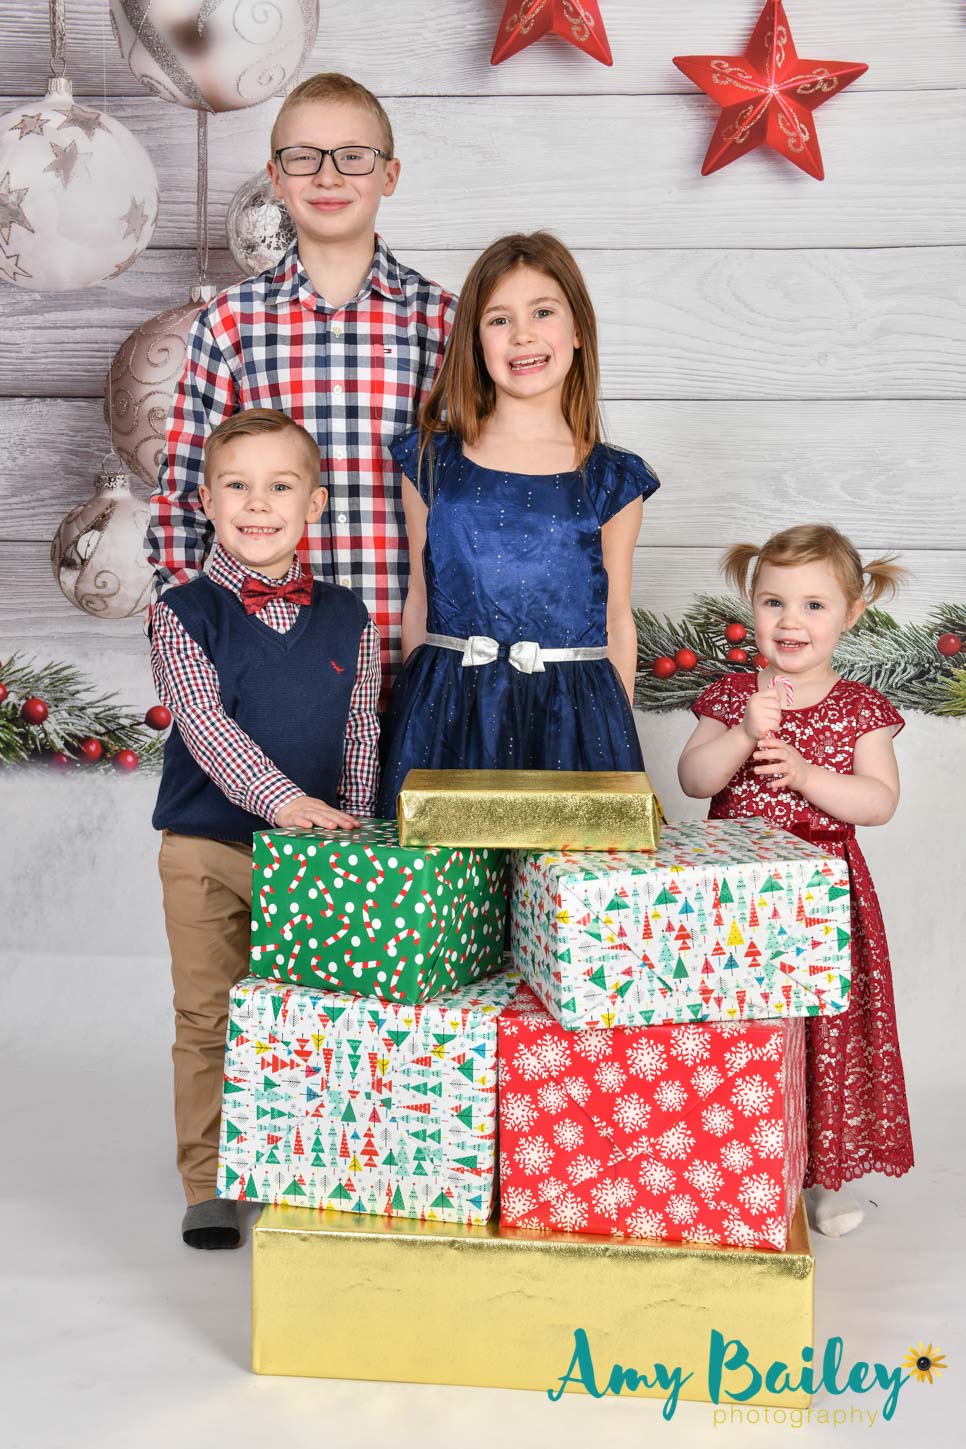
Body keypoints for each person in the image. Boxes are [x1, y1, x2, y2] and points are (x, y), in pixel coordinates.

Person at [145, 72, 456, 696]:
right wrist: (194, 640)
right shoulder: (230, 323)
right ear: (277, 176)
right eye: (304, 157)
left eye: (353, 157)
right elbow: (183, 498)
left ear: (389, 174)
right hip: (268, 672)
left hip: (424, 665)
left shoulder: (443, 322)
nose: (328, 176)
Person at [150, 409, 380, 1249]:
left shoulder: (349, 616)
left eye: (279, 486)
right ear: (208, 501)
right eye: (237, 486)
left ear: (313, 504)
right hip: (206, 850)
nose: (258, 503)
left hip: (314, 859)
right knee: (209, 1015)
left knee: (310, 1014)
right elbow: (206, 727)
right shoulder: (183, 613)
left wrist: (355, 830)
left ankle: (303, 1159)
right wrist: (281, 801)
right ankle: (209, 1181)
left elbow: (361, 731)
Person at [677, 524, 914, 1238]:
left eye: (814, 605)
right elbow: (694, 780)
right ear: (752, 606)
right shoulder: (731, 696)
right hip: (735, 897)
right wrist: (744, 733)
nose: (791, 620)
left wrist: (809, 776)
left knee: (821, 1038)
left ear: (851, 614)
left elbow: (879, 801)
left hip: (824, 900)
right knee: (740, 1029)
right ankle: (734, 1164)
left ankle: (820, 1182)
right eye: (774, 602)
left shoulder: (860, 707)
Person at [376, 231, 659, 810]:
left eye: (543, 312)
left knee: (564, 865)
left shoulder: (611, 480)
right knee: (445, 865)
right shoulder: (431, 462)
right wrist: (414, 721)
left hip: (571, 718)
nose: (523, 334)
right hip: (448, 714)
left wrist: (612, 739)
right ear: (476, 341)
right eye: (499, 319)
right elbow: (420, 600)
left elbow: (616, 617)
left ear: (577, 331)